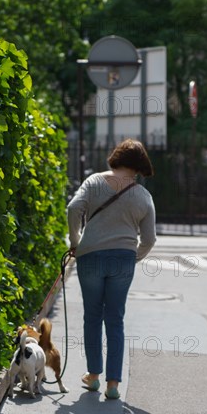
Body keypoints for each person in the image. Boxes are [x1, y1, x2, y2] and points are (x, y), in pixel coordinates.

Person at [67, 139, 156, 399]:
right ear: (139, 167)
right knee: (115, 319)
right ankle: (113, 384)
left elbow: (73, 208)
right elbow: (149, 240)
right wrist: (133, 257)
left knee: (92, 315)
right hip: (123, 259)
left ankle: (93, 375)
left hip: (91, 256)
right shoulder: (143, 196)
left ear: (116, 157)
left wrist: (76, 243)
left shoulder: (94, 181)